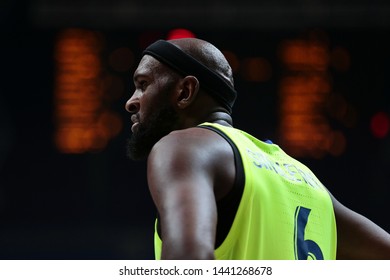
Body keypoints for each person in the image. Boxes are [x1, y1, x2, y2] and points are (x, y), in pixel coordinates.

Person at [125, 38, 390, 260]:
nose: (131, 102)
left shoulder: (183, 147)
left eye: (143, 85)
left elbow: (190, 260)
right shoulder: (306, 179)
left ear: (185, 92)